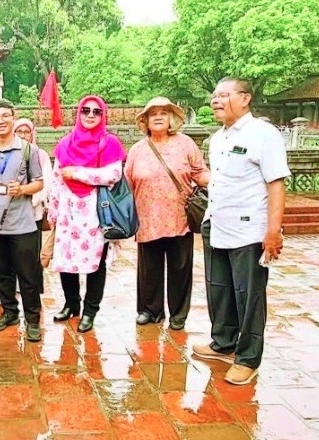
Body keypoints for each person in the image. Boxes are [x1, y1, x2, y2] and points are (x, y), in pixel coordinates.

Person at [192, 77, 290, 385]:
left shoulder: (264, 134)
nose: (215, 101)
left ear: (245, 98)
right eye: (214, 96)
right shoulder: (217, 139)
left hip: (249, 231)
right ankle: (223, 343)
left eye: (224, 95)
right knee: (219, 289)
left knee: (249, 295)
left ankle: (248, 358)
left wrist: (273, 230)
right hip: (218, 224)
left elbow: (276, 183)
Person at [124, 97, 210, 330]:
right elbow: (127, 184)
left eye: (163, 113)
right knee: (149, 269)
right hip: (147, 218)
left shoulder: (185, 144)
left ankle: (178, 314)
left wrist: (220, 179)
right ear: (146, 121)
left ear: (171, 118)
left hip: (179, 217)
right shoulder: (137, 150)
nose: (158, 117)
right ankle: (150, 310)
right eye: (153, 114)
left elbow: (200, 172)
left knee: (180, 268)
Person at [48, 95, 126, 333]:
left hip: (96, 211)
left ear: (103, 115)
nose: (91, 115)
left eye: (96, 111)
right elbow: (57, 179)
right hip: (67, 211)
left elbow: (113, 174)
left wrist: (77, 173)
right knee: (66, 259)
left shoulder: (109, 142)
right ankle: (71, 304)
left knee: (96, 262)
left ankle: (90, 311)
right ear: (78, 113)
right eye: (86, 110)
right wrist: (53, 210)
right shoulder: (65, 143)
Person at [0, 99, 44, 342]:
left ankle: (32, 319)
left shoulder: (27, 150)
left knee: (28, 275)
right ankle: (10, 312)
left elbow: (39, 183)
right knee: (2, 273)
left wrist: (22, 189)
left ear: (13, 118)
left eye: (5, 115)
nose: (0, 121)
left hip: (23, 224)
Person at [14, 118, 53, 294]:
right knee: (13, 250)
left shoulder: (40, 155)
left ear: (32, 134)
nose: (23, 135)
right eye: (19, 131)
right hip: (12, 212)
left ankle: (33, 288)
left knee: (32, 251)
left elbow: (46, 183)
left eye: (26, 131)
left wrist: (31, 201)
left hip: (33, 211)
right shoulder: (8, 153)